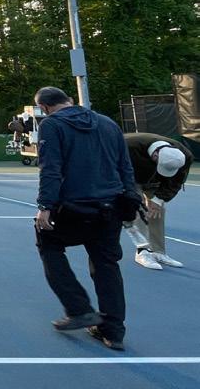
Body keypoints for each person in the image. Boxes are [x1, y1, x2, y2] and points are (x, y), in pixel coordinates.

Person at [33, 86, 137, 351]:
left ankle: (78, 308)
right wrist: (131, 198)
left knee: (49, 244)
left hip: (73, 207)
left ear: (44, 108)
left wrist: (45, 206)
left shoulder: (51, 125)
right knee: (106, 264)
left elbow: (51, 168)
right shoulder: (107, 122)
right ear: (69, 99)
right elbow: (125, 165)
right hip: (110, 206)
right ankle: (113, 332)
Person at [122, 133, 192, 270]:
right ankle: (142, 251)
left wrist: (158, 200)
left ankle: (158, 251)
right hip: (129, 174)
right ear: (155, 156)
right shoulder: (128, 145)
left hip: (153, 176)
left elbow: (175, 182)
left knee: (157, 209)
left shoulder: (185, 156)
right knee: (137, 207)